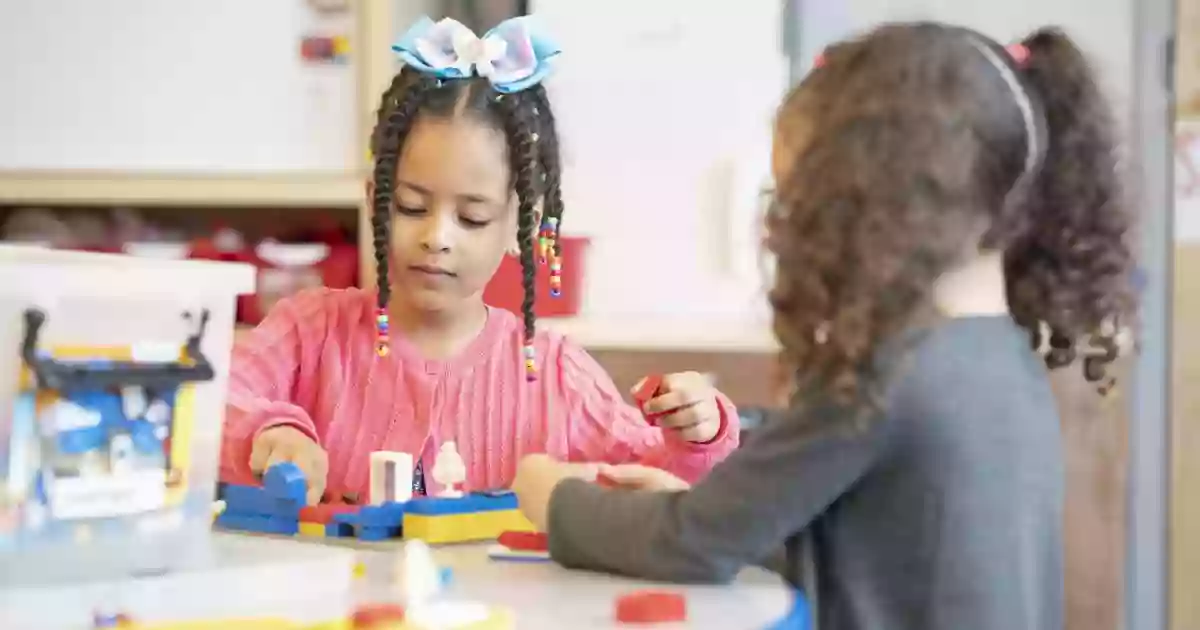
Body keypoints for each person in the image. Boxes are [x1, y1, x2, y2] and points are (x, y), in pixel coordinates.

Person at [512, 22, 1135, 630]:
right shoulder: (1001, 357)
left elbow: (689, 542)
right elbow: (871, 558)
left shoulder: (893, 374)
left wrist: (551, 496)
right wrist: (687, 507)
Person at [219, 16, 739, 506]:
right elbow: (211, 400)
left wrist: (698, 432)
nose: (436, 237)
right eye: (411, 207)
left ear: (521, 225)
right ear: (373, 197)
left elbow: (661, 485)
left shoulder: (556, 377)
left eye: (471, 218)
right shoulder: (309, 334)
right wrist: (271, 432)